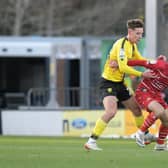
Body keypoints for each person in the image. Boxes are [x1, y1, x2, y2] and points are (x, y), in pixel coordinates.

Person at [84, 18, 155, 151]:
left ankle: (144, 135)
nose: (140, 37)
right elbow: (123, 67)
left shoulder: (132, 45)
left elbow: (140, 59)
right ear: (130, 31)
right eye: (138, 34)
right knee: (111, 112)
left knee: (136, 109)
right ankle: (91, 141)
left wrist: (156, 63)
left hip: (120, 83)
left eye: (141, 34)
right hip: (108, 83)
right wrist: (142, 74)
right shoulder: (122, 45)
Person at [128, 55, 168, 150]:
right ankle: (140, 133)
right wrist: (122, 64)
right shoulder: (161, 65)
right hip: (144, 91)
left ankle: (160, 145)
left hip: (157, 96)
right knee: (159, 111)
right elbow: (142, 62)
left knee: (166, 119)